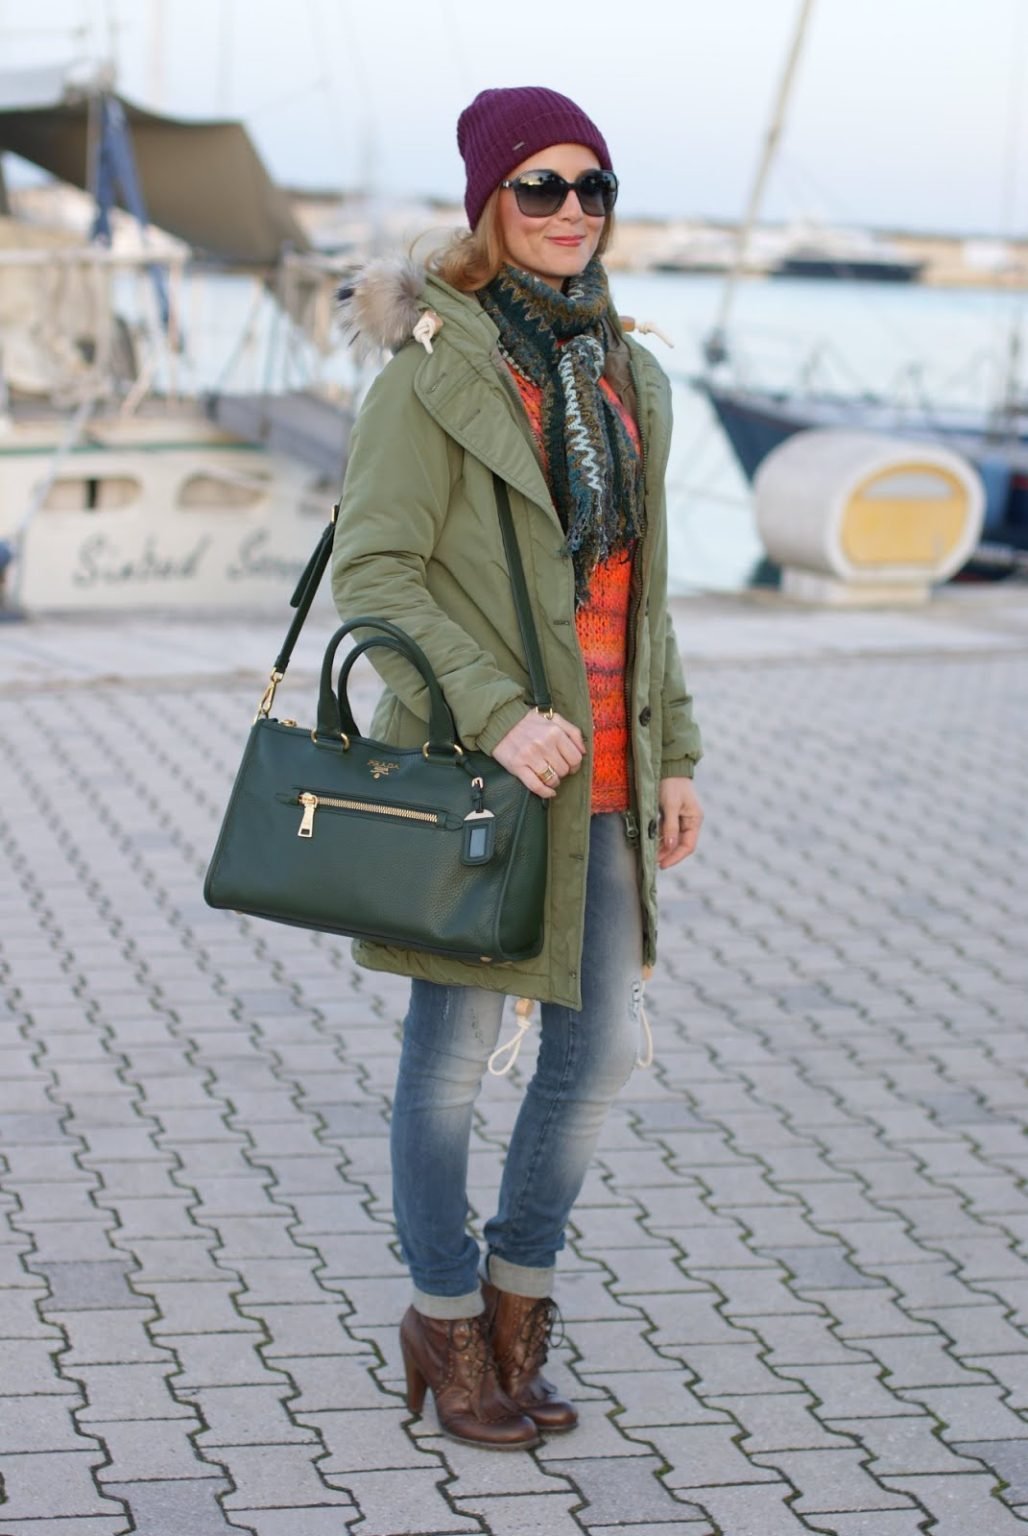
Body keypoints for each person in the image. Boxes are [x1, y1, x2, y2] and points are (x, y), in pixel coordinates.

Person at [331, 86, 703, 1451]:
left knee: (593, 1057)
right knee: (450, 1063)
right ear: (491, 202)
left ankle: (515, 1305)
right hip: (485, 773)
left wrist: (676, 752)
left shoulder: (628, 376)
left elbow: (644, 599)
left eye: (592, 186)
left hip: (608, 768)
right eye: (540, 185)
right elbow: (376, 572)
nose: (570, 210)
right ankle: (444, 1321)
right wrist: (495, 711)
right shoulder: (431, 372)